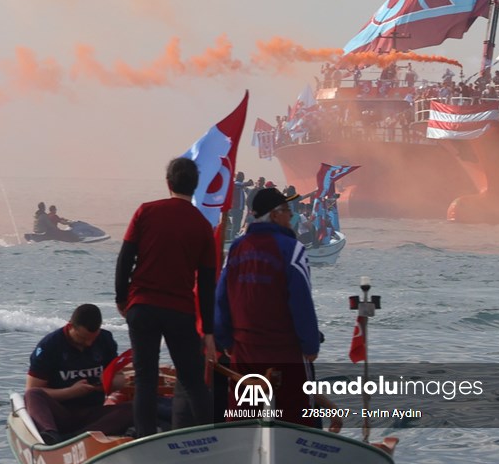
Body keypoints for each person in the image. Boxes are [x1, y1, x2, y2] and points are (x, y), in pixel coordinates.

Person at [115, 156, 216, 438]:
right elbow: (207, 283)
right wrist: (208, 330)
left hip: (142, 307)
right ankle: (214, 439)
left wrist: (122, 299)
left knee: (145, 379)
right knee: (193, 380)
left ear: (168, 183)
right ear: (195, 186)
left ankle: (145, 440)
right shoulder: (203, 226)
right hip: (180, 312)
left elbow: (125, 258)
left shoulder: (146, 212)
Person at [214, 187, 321, 426]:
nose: (291, 216)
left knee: (243, 420)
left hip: (244, 352)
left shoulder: (237, 248)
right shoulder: (293, 249)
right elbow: (301, 301)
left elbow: (221, 299)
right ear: (274, 215)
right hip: (284, 352)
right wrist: (310, 345)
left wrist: (225, 341)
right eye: (287, 211)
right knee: (297, 420)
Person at [24, 303, 133, 445]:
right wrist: (71, 392)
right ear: (70, 327)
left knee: (135, 408)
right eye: (82, 338)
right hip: (60, 411)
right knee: (33, 395)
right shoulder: (49, 346)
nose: (88, 343)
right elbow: (33, 390)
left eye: (92, 339)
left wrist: (108, 383)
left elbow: (119, 377)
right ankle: (50, 435)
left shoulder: (105, 340)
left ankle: (78, 436)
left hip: (93, 411)